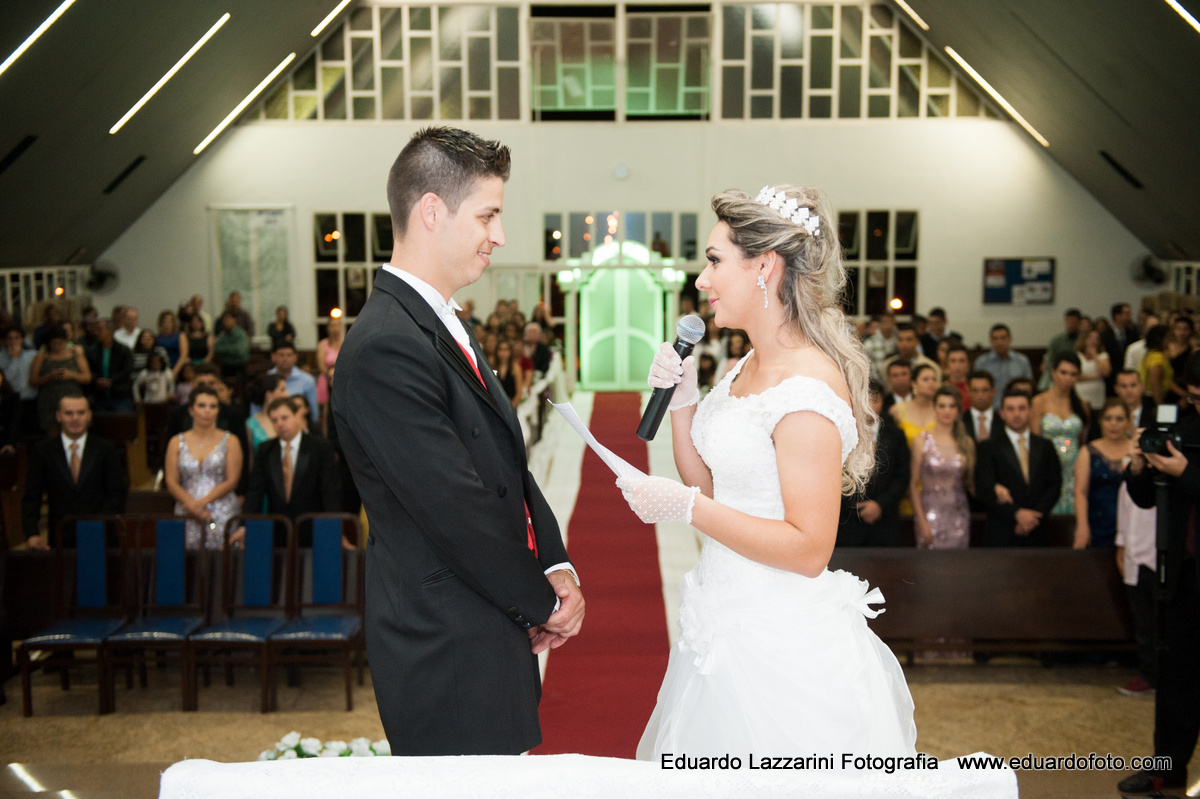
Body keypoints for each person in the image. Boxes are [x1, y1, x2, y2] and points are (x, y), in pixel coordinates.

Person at [620, 184, 915, 760]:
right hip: (722, 618)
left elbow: (809, 549)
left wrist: (686, 508)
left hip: (781, 641)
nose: (701, 280)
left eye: (713, 261)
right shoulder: (747, 362)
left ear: (764, 265)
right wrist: (682, 402)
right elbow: (710, 486)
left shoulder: (806, 387)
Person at [332, 127, 583, 756]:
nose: (499, 235)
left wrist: (554, 562)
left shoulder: (436, 320)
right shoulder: (387, 343)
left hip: (482, 623)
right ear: (432, 211)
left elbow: (506, 464)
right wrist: (539, 602)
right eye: (488, 215)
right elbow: (455, 506)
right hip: (443, 643)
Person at [1119, 353, 1200, 792]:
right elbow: (1149, 497)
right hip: (1184, 572)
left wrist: (1187, 473)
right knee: (1177, 679)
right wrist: (1138, 465)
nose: (1197, 406)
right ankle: (1167, 771)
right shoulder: (1184, 430)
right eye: (1193, 398)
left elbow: (1187, 479)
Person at [21, 392, 127, 549]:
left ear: (89, 415)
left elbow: (117, 493)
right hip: (60, 538)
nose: (75, 418)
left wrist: (96, 525)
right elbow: (32, 496)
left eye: (80, 413)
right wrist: (32, 533)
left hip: (101, 537)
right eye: (69, 413)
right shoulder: (43, 451)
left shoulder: (106, 448)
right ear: (58, 416)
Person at [242, 397, 340, 543]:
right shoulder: (266, 450)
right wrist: (244, 526)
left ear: (298, 416)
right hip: (277, 531)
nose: (279, 424)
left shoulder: (320, 447)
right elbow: (255, 491)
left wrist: (333, 528)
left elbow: (330, 491)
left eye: (284, 418)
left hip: (313, 530)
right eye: (274, 420)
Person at [974, 387, 1062, 547]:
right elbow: (985, 488)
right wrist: (1017, 514)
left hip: (1038, 529)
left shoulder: (1045, 446)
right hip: (1002, 530)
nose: (1016, 414)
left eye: (1021, 408)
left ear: (1030, 411)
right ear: (1002, 413)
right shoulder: (988, 447)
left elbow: (1054, 486)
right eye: (1010, 409)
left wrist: (1032, 518)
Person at [164, 385, 242, 550]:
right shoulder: (176, 442)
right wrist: (191, 505)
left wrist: (202, 503)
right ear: (191, 410)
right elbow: (171, 481)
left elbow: (232, 480)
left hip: (221, 510)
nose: (207, 410)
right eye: (202, 405)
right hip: (186, 509)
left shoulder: (231, 440)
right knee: (187, 563)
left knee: (222, 562)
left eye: (213, 406)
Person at [837, 380, 910, 546]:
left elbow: (902, 477)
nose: (870, 405)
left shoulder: (896, 435)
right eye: (865, 400)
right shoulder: (842, 433)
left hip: (885, 520)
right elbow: (832, 475)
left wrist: (879, 505)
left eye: (875, 400)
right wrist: (853, 506)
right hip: (847, 522)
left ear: (883, 401)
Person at [910, 385, 973, 549]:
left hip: (959, 516)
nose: (947, 410)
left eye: (952, 406)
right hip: (930, 515)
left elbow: (971, 483)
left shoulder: (966, 443)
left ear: (958, 409)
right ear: (934, 408)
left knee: (957, 569)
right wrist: (922, 522)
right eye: (942, 405)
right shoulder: (921, 440)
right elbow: (912, 485)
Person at [1032, 353, 1088, 515]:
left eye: (1073, 374)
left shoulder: (1081, 405)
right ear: (1053, 372)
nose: (1067, 378)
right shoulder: (1039, 402)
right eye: (1063, 372)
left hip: (1073, 469)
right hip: (1047, 467)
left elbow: (1082, 441)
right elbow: (1035, 441)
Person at [1073, 398, 1133, 550]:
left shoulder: (1137, 451)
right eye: (1108, 418)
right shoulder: (1088, 451)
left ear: (1128, 422)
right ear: (1100, 421)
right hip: (1098, 524)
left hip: (1132, 523)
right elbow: (1080, 492)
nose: (1113, 424)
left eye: (1119, 419)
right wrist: (1082, 525)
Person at [29, 323, 91, 432]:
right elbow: (33, 381)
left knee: (74, 430)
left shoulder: (75, 354)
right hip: (49, 400)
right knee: (52, 433)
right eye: (54, 343)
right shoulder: (41, 357)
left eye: (60, 343)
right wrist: (50, 376)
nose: (57, 346)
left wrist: (71, 375)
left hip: (72, 397)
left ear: (65, 341)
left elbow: (87, 378)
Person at [974, 324, 1034, 410]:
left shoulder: (1022, 361)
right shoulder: (981, 363)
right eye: (995, 339)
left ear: (1010, 339)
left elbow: (1029, 388)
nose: (999, 342)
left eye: (1003, 338)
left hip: (1016, 409)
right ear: (991, 341)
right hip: (990, 410)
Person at [85, 319, 134, 412]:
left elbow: (127, 370)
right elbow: (89, 370)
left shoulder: (123, 350)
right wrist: (97, 380)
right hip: (99, 396)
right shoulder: (92, 351)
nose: (96, 333)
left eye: (100, 330)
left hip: (120, 395)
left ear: (110, 331)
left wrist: (111, 380)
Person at [263, 341, 318, 422]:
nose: (285, 359)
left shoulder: (307, 380)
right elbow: (257, 409)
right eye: (281, 355)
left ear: (295, 357)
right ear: (273, 356)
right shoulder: (266, 378)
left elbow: (313, 411)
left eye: (289, 355)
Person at [0, 326, 36, 435]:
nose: (13, 341)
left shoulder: (32, 355)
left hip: (30, 401)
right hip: (10, 403)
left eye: (16, 338)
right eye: (9, 338)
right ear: (5, 340)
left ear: (22, 339)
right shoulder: (1, 358)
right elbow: (5, 380)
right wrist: (14, 359)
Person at [882, 323, 939, 389]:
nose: (904, 344)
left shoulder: (930, 366)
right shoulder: (888, 365)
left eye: (909, 340)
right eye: (900, 340)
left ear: (917, 342)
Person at [246, 373, 289, 455]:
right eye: (282, 390)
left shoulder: (292, 417)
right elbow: (251, 458)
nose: (287, 394)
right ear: (269, 394)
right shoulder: (251, 424)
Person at [1074, 328, 1110, 415]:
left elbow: (1105, 372)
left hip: (1097, 394)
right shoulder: (1077, 355)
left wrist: (1095, 356)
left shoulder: (1102, 355)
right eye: (1091, 338)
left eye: (1096, 338)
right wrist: (1095, 377)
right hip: (1081, 392)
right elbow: (1075, 376)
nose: (1093, 341)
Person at [212, 310, 250, 389]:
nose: (226, 322)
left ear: (234, 320)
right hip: (226, 367)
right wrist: (232, 348)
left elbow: (240, 351)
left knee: (244, 388)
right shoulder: (222, 335)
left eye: (228, 319)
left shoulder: (241, 334)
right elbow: (217, 349)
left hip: (240, 366)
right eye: (224, 320)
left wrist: (226, 349)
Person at [1138, 324, 1173, 407]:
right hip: (1154, 400)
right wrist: (1161, 407)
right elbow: (1156, 386)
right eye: (1167, 338)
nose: (1170, 341)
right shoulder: (1157, 358)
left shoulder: (1150, 354)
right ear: (1159, 339)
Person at [964, 370, 1000, 443]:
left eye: (985, 390)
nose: (980, 395)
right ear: (968, 392)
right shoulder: (960, 421)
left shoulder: (1003, 421)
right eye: (975, 390)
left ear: (993, 392)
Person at [316, 315, 344, 408]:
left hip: (342, 379)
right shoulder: (322, 344)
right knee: (326, 410)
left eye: (337, 325)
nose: (335, 328)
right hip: (326, 379)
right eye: (332, 325)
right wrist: (330, 375)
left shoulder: (345, 342)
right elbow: (321, 365)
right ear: (327, 328)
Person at [863, 312, 898, 378]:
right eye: (885, 322)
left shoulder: (899, 340)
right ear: (880, 324)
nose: (888, 324)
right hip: (876, 382)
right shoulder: (870, 343)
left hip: (897, 380)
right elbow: (866, 365)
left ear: (894, 324)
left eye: (890, 322)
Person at [492, 338, 523, 408]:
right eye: (500, 349)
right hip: (496, 406)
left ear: (510, 352)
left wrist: (511, 408)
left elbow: (519, 393)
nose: (503, 353)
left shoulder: (516, 368)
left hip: (512, 406)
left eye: (506, 350)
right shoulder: (492, 367)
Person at [943, 341, 970, 407]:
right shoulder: (941, 389)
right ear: (947, 364)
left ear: (968, 364)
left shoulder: (975, 389)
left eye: (961, 361)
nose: (957, 365)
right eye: (953, 361)